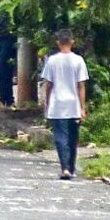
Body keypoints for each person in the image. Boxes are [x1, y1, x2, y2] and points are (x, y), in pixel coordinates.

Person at [42, 29, 89, 180]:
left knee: (60, 137)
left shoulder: (52, 60)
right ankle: (72, 168)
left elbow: (49, 84)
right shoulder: (78, 60)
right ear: (72, 42)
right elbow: (81, 85)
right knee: (73, 138)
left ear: (58, 43)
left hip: (57, 104)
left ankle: (65, 169)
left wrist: (47, 101)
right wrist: (82, 107)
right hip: (73, 105)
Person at [0, 11, 17, 107]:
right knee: (0, 70)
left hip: (9, 38)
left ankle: (8, 99)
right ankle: (3, 99)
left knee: (5, 69)